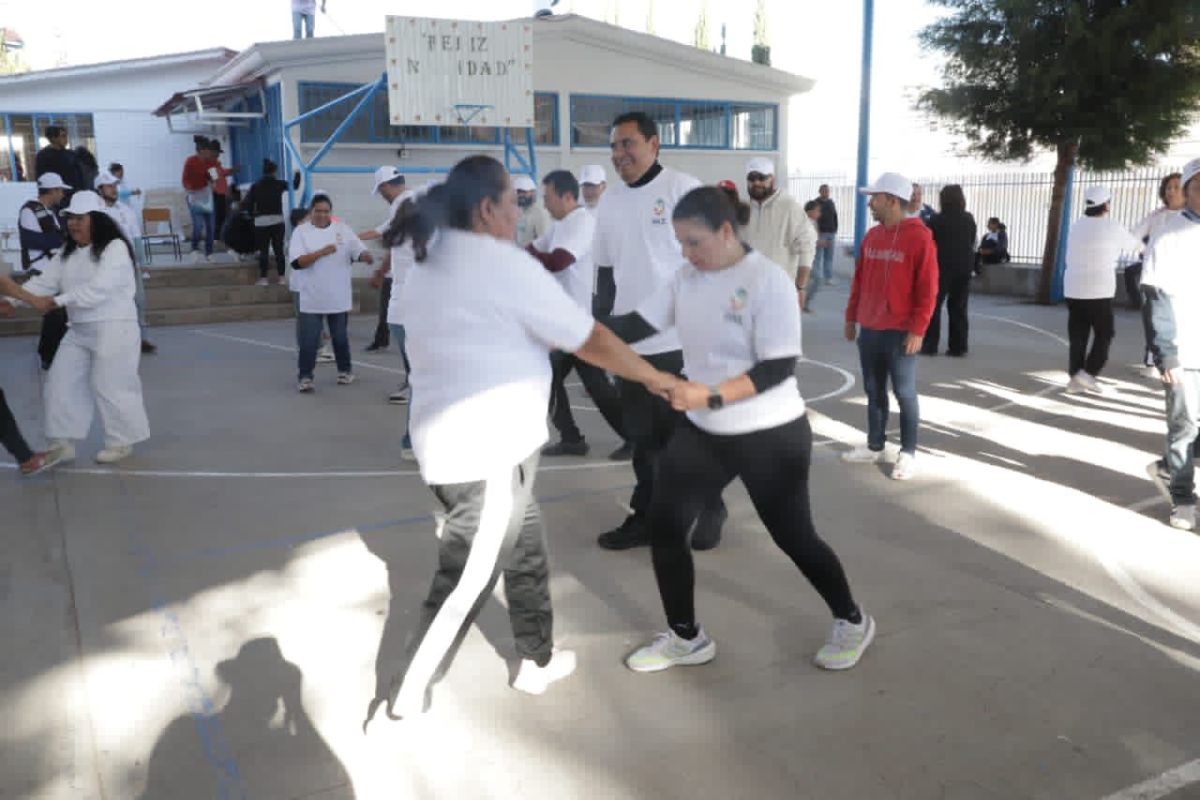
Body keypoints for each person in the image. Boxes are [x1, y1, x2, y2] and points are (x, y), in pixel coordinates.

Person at [369, 154, 677, 721]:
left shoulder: (432, 259)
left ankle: (534, 662)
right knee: (466, 578)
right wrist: (654, 376)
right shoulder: (499, 266)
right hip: (484, 454)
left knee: (527, 555)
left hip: (486, 449)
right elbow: (590, 338)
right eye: (514, 201)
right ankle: (406, 692)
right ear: (487, 208)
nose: (521, 211)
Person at [608, 186, 875, 674]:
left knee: (794, 536)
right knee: (665, 524)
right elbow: (632, 326)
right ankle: (686, 637)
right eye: (680, 244)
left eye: (694, 242)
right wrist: (571, 325)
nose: (686, 254)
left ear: (726, 232)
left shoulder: (767, 281)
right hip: (705, 430)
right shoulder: (685, 278)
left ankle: (852, 619)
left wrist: (706, 395)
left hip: (768, 432)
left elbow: (777, 368)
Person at [591, 111, 728, 550]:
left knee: (683, 438)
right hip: (631, 344)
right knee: (643, 439)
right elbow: (606, 273)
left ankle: (711, 505)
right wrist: (602, 330)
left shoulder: (681, 190)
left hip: (679, 341)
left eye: (627, 143)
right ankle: (648, 518)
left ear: (654, 144)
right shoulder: (610, 202)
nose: (619, 154)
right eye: (614, 146)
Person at [0, 191, 150, 464]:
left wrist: (56, 301)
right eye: (70, 218)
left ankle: (121, 441)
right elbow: (45, 282)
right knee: (59, 381)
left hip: (113, 327)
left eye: (80, 218)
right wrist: (12, 300)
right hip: (79, 328)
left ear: (98, 220)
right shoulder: (66, 252)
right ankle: (61, 441)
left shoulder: (115, 248)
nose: (73, 224)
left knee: (111, 385)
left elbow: (99, 289)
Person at [842, 172, 938, 481]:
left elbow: (928, 288)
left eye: (875, 198)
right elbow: (859, 280)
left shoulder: (920, 237)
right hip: (870, 329)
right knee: (873, 389)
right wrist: (851, 316)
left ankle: (908, 452)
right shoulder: (872, 237)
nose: (870, 203)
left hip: (900, 332)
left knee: (905, 392)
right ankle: (874, 445)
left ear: (892, 201)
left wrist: (918, 329)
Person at [529, 169, 624, 456]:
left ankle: (633, 436)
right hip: (565, 323)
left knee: (556, 379)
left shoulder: (582, 223)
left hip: (577, 322)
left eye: (547, 198)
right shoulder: (561, 224)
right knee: (591, 385)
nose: (544, 203)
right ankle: (573, 437)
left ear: (566, 196)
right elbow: (533, 249)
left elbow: (559, 260)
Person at [1142, 158, 1200, 531]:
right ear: (1188, 191)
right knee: (1184, 426)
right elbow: (1155, 297)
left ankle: (1166, 468)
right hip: (1185, 350)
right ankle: (1182, 497)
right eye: (1198, 187)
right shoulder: (1168, 235)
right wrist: (1167, 353)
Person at [288, 193, 373, 391]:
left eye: (326, 211)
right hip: (311, 296)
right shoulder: (301, 232)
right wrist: (321, 253)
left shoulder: (342, 229)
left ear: (331, 212)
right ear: (311, 212)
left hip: (338, 295)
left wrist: (365, 256)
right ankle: (305, 377)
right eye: (318, 211)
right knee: (309, 341)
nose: (322, 215)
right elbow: (297, 263)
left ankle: (345, 370)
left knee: (340, 337)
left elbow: (357, 250)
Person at [1062, 186, 1140, 395]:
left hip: (1072, 288)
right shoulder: (1111, 227)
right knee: (1105, 332)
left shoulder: (1076, 226)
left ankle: (1075, 378)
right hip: (1098, 290)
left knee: (1078, 334)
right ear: (1106, 204)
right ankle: (1088, 374)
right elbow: (1137, 246)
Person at [742, 157, 816, 315]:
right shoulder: (744, 209)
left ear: (772, 179)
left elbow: (807, 248)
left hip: (779, 295)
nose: (756, 183)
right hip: (746, 293)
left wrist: (800, 288)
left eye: (762, 178)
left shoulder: (789, 207)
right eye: (752, 178)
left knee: (775, 339)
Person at [95, 171, 156, 355]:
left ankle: (141, 338)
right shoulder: (95, 212)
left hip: (130, 263)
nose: (114, 189)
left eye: (115, 186)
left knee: (139, 301)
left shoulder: (126, 210)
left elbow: (136, 237)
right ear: (99, 189)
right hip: (107, 265)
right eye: (109, 186)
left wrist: (142, 262)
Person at [1131, 173, 1185, 376]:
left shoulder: (1193, 215)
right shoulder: (1156, 216)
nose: (1171, 191)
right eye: (1168, 187)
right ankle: (1154, 361)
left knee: (1182, 323)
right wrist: (1145, 251)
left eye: (1176, 187)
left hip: (1185, 280)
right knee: (1157, 322)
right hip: (1156, 279)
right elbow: (1133, 236)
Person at [19, 173, 70, 369]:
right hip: (41, 269)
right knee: (54, 312)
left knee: (58, 311)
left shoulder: (52, 211)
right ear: (53, 190)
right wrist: (63, 241)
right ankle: (48, 355)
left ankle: (53, 352)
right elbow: (32, 240)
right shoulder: (29, 210)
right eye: (61, 190)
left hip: (55, 268)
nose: (63, 194)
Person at [921, 184, 977, 357]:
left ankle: (930, 345)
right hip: (964, 268)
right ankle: (958, 346)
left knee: (934, 307)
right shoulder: (968, 218)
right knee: (959, 307)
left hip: (941, 268)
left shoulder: (936, 220)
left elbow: (928, 243)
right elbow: (972, 239)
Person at [358, 166, 407, 352]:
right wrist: (350, 237)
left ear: (385, 186)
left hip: (401, 276)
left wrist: (380, 272)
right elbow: (378, 231)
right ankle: (381, 339)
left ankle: (413, 375)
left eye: (380, 191)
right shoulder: (406, 203)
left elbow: (396, 245)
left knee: (397, 320)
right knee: (391, 315)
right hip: (400, 274)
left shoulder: (401, 205)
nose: (381, 195)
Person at [245, 159, 290, 286]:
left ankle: (264, 278)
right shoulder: (279, 184)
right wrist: (297, 174)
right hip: (277, 220)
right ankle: (281, 277)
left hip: (261, 222)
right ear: (274, 171)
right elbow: (294, 185)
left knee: (263, 251)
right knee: (279, 250)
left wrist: (253, 216)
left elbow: (248, 204)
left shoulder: (255, 185)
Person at [182, 136, 216, 263]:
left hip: (206, 196)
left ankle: (209, 252)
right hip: (194, 195)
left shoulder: (210, 162)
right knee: (198, 225)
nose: (210, 153)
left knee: (211, 226)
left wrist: (213, 182)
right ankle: (194, 249)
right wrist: (189, 187)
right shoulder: (190, 161)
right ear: (202, 150)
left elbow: (214, 178)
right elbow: (184, 179)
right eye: (208, 150)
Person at [204, 141, 238, 243]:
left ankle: (219, 237)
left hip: (220, 194)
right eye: (217, 152)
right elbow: (215, 178)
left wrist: (231, 171)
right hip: (216, 194)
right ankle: (217, 238)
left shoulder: (215, 164)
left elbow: (222, 174)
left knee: (221, 216)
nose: (218, 154)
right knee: (218, 216)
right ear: (212, 152)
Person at [34, 126, 81, 195]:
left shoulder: (71, 155)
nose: (66, 139)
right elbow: (42, 178)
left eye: (66, 136)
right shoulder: (43, 156)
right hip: (54, 195)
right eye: (63, 136)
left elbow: (78, 175)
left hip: (72, 194)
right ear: (53, 138)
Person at [513, 174, 550, 247]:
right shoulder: (520, 210)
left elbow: (544, 242)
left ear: (533, 193)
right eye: (519, 192)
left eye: (524, 192)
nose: (521, 195)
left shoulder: (540, 212)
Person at [813, 184, 838, 285]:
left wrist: (835, 228)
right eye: (824, 191)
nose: (826, 193)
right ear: (820, 192)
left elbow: (835, 216)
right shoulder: (815, 203)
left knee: (829, 257)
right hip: (820, 233)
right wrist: (817, 233)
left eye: (827, 191)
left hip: (831, 233)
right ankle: (817, 278)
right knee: (818, 256)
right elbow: (813, 219)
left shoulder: (831, 203)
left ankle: (828, 278)